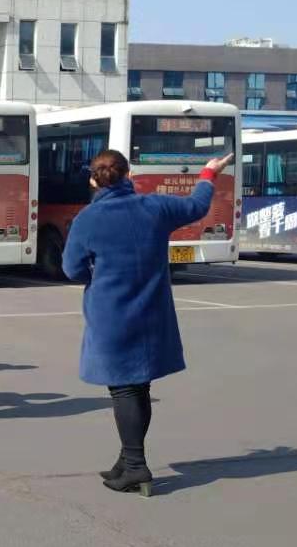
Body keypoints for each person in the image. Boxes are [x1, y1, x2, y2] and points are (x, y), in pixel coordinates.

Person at [62, 149, 235, 495]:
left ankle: (135, 465)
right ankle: (126, 460)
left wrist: (97, 276)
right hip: (153, 311)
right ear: (129, 175)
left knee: (124, 388)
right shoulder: (154, 206)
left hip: (112, 314)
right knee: (139, 386)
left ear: (94, 181)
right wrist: (208, 173)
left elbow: (71, 268)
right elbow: (197, 206)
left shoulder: (88, 219)